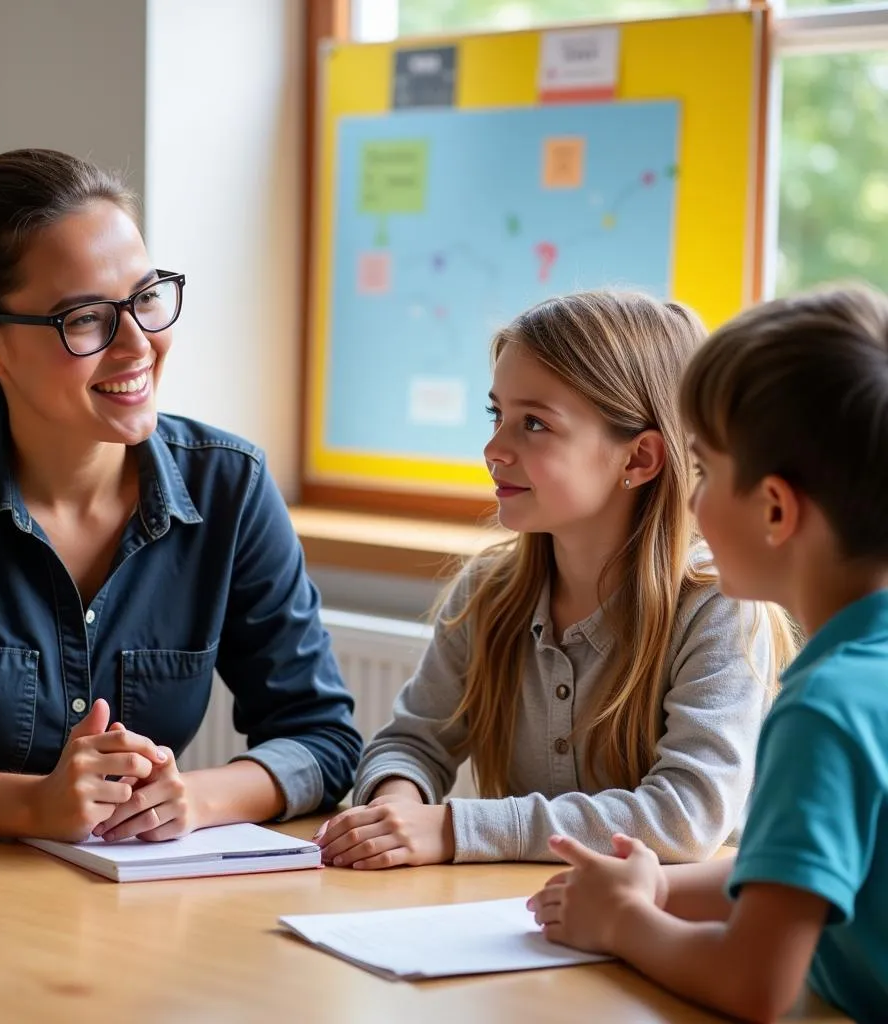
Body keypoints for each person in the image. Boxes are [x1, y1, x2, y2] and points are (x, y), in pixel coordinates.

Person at [0, 149, 361, 843]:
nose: (137, 344)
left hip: (131, 904)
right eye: (87, 318)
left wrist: (193, 798)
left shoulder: (231, 486)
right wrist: (34, 806)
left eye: (147, 297)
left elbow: (322, 737)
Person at [316, 291, 795, 870]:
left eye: (535, 424)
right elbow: (412, 743)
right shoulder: (488, 592)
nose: (493, 449)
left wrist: (451, 827)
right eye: (497, 416)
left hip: (669, 941)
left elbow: (686, 816)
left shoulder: (718, 605)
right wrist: (393, 812)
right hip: (520, 921)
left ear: (640, 459)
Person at [528, 285, 888, 1024]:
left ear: (775, 510)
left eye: (705, 470)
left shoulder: (826, 707)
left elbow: (754, 983)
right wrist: (655, 889)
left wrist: (623, 924)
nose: (690, 502)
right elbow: (794, 882)